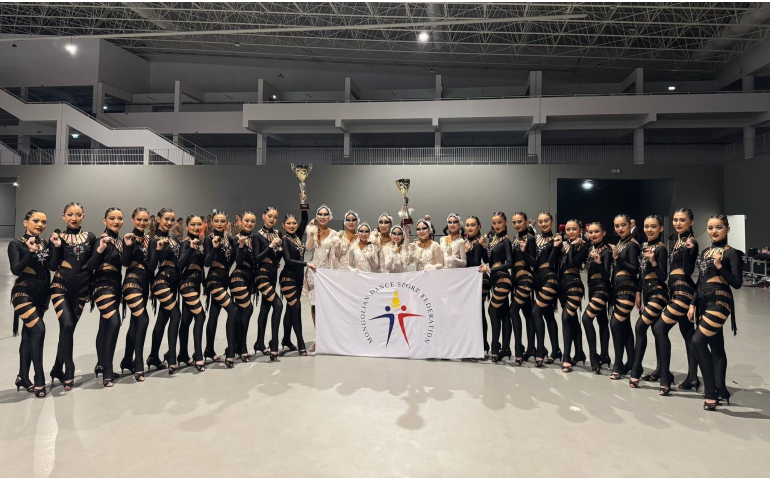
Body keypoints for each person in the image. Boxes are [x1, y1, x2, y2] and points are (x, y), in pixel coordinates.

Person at [689, 214, 744, 411]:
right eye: (710, 227)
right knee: (716, 346)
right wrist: (693, 304)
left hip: (720, 301)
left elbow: (737, 283)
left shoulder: (732, 253)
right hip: (704, 302)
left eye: (719, 227)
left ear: (727, 229)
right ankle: (721, 389)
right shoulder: (706, 252)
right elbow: (700, 281)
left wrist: (720, 267)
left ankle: (711, 391)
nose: (714, 231)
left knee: (697, 340)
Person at [49, 202, 97, 391]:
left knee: (67, 330)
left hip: (82, 289)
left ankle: (56, 368)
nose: (74, 218)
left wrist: (91, 288)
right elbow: (53, 266)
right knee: (68, 325)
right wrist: (57, 247)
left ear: (83, 217)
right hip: (60, 286)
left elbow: (92, 265)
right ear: (63, 216)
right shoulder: (57, 237)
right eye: (70, 214)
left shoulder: (91, 237)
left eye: (78, 215)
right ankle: (69, 368)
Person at [655, 208, 700, 391]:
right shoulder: (678, 240)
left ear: (691, 222)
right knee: (688, 334)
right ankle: (693, 378)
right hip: (675, 289)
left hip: (683, 290)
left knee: (659, 328)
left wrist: (689, 251)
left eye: (682, 220)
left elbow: (688, 271)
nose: (678, 223)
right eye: (675, 220)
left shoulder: (691, 242)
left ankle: (665, 377)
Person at [9, 209, 51, 398]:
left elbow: (49, 267)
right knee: (38, 330)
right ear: (25, 222)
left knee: (28, 335)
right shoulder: (16, 244)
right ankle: (39, 378)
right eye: (35, 221)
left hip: (41, 296)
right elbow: (16, 270)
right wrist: (29, 251)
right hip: (23, 293)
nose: (40, 225)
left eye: (43, 222)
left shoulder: (45, 244)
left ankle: (22, 377)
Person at [629, 215, 669, 393]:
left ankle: (637, 369)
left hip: (658, 294)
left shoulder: (661, 249)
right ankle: (662, 372)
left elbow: (663, 276)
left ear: (661, 228)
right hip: (646, 292)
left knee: (640, 327)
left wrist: (653, 261)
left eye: (653, 226)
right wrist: (638, 292)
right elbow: (641, 272)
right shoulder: (644, 245)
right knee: (657, 331)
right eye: (646, 226)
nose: (649, 230)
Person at [89, 207, 125, 387]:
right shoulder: (100, 240)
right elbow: (91, 265)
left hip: (116, 285)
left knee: (104, 325)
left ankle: (101, 364)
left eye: (119, 218)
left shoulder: (120, 241)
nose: (116, 221)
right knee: (114, 323)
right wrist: (100, 250)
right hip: (102, 285)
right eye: (112, 218)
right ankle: (108, 371)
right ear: (105, 221)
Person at [146, 208, 181, 374]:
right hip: (162, 281)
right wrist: (158, 250)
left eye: (172, 219)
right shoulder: (153, 240)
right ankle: (172, 357)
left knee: (162, 319)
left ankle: (153, 356)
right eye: (166, 219)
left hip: (174, 281)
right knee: (176, 315)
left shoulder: (174, 237)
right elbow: (151, 266)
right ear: (159, 219)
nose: (169, 222)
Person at [119, 207, 152, 381]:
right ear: (132, 219)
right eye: (139, 219)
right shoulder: (129, 238)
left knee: (135, 323)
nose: (142, 223)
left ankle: (127, 360)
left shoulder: (149, 239)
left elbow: (152, 265)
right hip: (132, 282)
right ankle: (138, 363)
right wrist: (128, 245)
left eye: (145, 220)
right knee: (143, 319)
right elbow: (125, 262)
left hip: (145, 284)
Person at [203, 211, 239, 368]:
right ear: (211, 222)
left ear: (227, 223)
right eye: (216, 221)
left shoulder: (228, 238)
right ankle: (231, 352)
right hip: (213, 279)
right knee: (233, 309)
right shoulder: (209, 238)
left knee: (214, 314)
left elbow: (231, 259)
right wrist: (214, 247)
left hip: (224, 279)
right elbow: (206, 262)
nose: (219, 224)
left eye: (222, 221)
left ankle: (209, 350)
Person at [608, 214, 641, 380]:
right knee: (625, 326)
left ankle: (618, 364)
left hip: (627, 290)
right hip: (618, 289)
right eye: (617, 225)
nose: (620, 228)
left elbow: (634, 269)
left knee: (615, 324)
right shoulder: (622, 243)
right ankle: (632, 362)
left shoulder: (632, 245)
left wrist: (617, 257)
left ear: (630, 225)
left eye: (623, 225)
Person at [478, 212, 512, 363]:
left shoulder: (506, 241)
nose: (496, 226)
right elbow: (488, 259)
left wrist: (491, 269)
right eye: (494, 223)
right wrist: (485, 246)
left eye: (499, 222)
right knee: (504, 314)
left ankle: (495, 347)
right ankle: (505, 348)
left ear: (506, 222)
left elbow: (510, 263)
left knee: (492, 310)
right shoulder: (494, 240)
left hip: (503, 279)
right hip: (495, 279)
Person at [253, 206, 284, 361]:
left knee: (265, 309)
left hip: (273, 275)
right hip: (262, 276)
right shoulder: (257, 236)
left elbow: (277, 258)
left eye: (275, 217)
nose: (272, 219)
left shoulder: (278, 234)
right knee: (278, 305)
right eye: (270, 216)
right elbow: (257, 258)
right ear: (263, 216)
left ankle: (259, 343)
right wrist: (271, 246)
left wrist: (279, 251)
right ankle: (274, 344)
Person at [281, 211, 313, 356]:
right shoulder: (285, 240)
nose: (292, 225)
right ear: (283, 225)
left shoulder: (298, 236)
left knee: (290, 309)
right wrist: (306, 264)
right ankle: (301, 344)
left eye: (294, 223)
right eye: (288, 223)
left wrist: (303, 200)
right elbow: (288, 260)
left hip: (298, 278)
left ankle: (286, 340)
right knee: (296, 309)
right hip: (288, 279)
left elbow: (305, 218)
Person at [531, 212, 562, 366]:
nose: (543, 224)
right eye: (541, 221)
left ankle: (540, 351)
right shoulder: (535, 239)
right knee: (548, 314)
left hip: (550, 279)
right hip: (537, 280)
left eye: (546, 221)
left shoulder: (557, 238)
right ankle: (556, 351)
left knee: (535, 312)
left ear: (552, 221)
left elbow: (551, 263)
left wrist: (555, 246)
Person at [177, 215, 207, 372]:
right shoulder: (186, 243)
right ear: (187, 227)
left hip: (195, 284)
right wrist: (190, 248)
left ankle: (182, 354)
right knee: (200, 316)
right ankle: (198, 355)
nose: (196, 227)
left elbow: (201, 265)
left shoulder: (200, 243)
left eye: (199, 224)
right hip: (187, 284)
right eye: (193, 224)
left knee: (186, 320)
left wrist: (204, 283)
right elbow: (180, 264)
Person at [582, 222, 613, 374]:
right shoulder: (590, 248)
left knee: (586, 319)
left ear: (603, 233)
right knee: (602, 321)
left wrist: (599, 263)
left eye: (596, 232)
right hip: (592, 289)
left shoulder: (606, 251)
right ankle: (605, 356)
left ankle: (593, 358)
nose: (593, 235)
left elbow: (607, 275)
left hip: (602, 289)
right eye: (590, 232)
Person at [558, 219, 588, 373]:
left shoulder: (583, 247)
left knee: (565, 319)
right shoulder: (562, 244)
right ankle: (579, 352)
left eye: (574, 229)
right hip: (561, 287)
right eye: (568, 229)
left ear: (580, 230)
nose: (570, 232)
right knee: (573, 320)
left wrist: (570, 248)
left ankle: (566, 357)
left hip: (574, 286)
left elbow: (571, 264)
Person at [230, 211, 258, 361]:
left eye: (252, 221)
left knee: (242, 314)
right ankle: (242, 348)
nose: (249, 223)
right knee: (247, 309)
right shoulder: (236, 239)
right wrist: (241, 247)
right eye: (246, 220)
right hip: (238, 278)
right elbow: (239, 262)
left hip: (248, 279)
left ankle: (236, 346)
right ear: (240, 221)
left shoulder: (255, 239)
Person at [305, 205, 337, 330]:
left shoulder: (334, 233)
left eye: (325, 214)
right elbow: (308, 248)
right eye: (320, 214)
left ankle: (326, 334)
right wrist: (310, 233)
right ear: (316, 216)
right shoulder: (313, 231)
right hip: (313, 271)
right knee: (314, 304)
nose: (322, 217)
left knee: (326, 304)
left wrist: (331, 273)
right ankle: (318, 335)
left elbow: (333, 256)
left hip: (326, 272)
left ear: (329, 217)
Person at [510, 212, 536, 365]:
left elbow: (534, 262)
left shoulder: (530, 238)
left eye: (520, 221)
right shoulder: (514, 238)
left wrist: (524, 251)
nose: (517, 224)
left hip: (526, 278)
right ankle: (531, 348)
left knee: (513, 310)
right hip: (516, 279)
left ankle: (518, 350)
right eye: (514, 222)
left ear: (526, 221)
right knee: (527, 313)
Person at [465, 216, 490, 356]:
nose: (469, 227)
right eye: (467, 225)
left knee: (479, 312)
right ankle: (477, 344)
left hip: (480, 280)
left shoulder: (479, 242)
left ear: (479, 226)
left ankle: (483, 345)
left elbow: (475, 264)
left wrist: (467, 252)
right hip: (470, 280)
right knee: (473, 313)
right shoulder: (468, 241)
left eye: (473, 225)